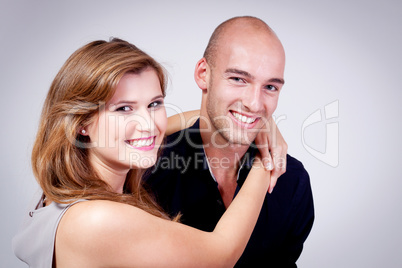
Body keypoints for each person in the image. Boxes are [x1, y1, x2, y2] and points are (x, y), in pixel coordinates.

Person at [12, 37, 280, 267]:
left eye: (154, 104)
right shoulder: (96, 220)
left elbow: (152, 131)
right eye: (124, 109)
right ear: (81, 123)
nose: (148, 124)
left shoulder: (53, 192)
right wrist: (265, 158)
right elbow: (222, 255)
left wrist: (243, 118)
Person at [146, 16, 315, 267]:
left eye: (270, 87)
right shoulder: (146, 168)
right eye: (238, 79)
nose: (255, 104)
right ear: (203, 74)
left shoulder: (293, 181)